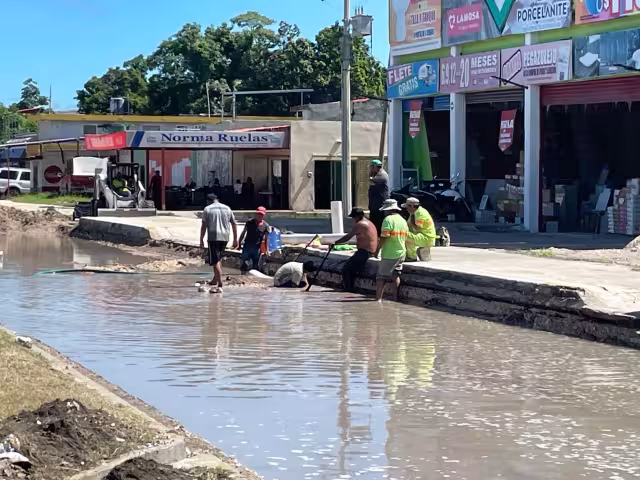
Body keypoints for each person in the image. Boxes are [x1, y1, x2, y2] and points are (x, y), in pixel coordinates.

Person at [332, 207, 377, 292]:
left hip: (365, 252)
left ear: (357, 216)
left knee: (346, 269)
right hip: (368, 251)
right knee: (351, 268)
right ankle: (350, 287)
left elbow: (348, 237)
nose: (353, 220)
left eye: (354, 217)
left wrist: (335, 243)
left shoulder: (361, 224)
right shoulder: (369, 222)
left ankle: (348, 289)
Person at [199, 193, 238, 292]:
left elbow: (203, 226)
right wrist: (235, 239)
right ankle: (214, 280)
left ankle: (220, 283)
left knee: (215, 260)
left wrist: (201, 239)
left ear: (208, 201)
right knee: (218, 257)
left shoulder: (207, 209)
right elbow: (234, 224)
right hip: (225, 237)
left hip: (213, 237)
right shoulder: (227, 208)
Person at [375, 199, 408, 302]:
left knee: (381, 277)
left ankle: (378, 299)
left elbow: (384, 236)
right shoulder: (402, 220)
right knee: (395, 275)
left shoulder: (388, 220)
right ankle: (395, 299)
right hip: (401, 252)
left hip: (390, 253)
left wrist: (377, 250)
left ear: (388, 210)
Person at [402, 197, 436, 262]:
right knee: (404, 234)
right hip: (422, 236)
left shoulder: (420, 213)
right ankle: (408, 254)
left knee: (407, 236)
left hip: (427, 237)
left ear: (412, 206)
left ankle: (411, 256)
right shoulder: (414, 213)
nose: (406, 209)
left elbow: (417, 228)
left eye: (407, 207)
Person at [238, 206, 270, 273]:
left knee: (256, 265)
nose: (259, 216)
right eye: (258, 214)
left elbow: (267, 238)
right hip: (247, 246)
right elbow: (243, 232)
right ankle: (242, 276)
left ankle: (254, 279)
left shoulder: (266, 226)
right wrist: (239, 243)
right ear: (256, 214)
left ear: (263, 215)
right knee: (245, 264)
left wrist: (267, 250)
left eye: (261, 215)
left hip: (257, 248)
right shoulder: (249, 222)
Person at [368, 159, 389, 236]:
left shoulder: (381, 175)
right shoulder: (378, 174)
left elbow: (370, 180)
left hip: (379, 205)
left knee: (378, 223)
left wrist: (371, 175)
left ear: (374, 167)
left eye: (371, 167)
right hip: (374, 204)